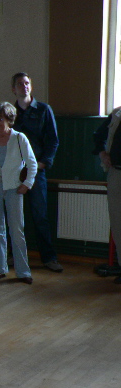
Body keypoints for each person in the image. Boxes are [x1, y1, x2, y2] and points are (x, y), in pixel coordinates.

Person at [0, 102, 37, 284]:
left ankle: (23, 272)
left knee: (17, 230)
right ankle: (0, 268)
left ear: (9, 120)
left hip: (14, 188)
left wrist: (27, 184)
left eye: (1, 119)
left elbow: (32, 163)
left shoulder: (20, 139)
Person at [11, 72, 62, 273]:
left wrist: (42, 164)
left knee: (40, 216)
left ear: (30, 87)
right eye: (19, 84)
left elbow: (53, 140)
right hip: (13, 172)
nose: (24, 86)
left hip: (36, 171)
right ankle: (13, 256)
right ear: (13, 89)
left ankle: (48, 258)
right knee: (14, 216)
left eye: (27, 83)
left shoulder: (43, 110)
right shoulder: (10, 112)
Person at [93, 107, 121, 284]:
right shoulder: (116, 114)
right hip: (116, 173)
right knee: (118, 222)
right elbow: (98, 135)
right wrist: (103, 154)